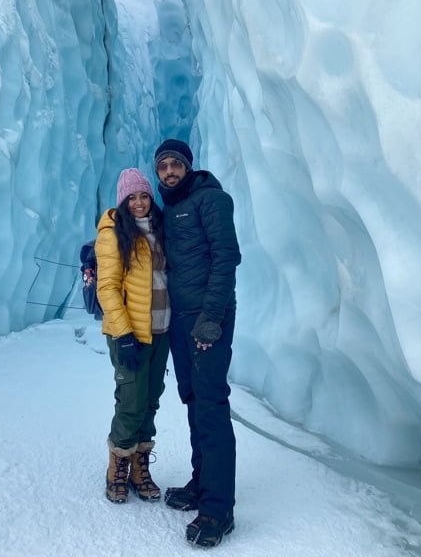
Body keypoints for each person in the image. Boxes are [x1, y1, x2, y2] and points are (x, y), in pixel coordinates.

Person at [154, 139, 241, 548]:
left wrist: (211, 318)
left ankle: (219, 509)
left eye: (175, 165)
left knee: (210, 407)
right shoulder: (172, 207)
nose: (169, 172)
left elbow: (226, 257)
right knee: (193, 400)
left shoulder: (210, 199)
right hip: (181, 322)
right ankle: (201, 483)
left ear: (188, 167)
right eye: (163, 166)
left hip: (207, 320)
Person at [95, 168, 170, 504]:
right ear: (122, 201)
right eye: (132, 198)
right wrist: (124, 334)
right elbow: (108, 287)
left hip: (161, 330)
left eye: (143, 196)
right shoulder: (113, 232)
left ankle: (140, 466)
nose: (139, 203)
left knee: (151, 399)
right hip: (131, 333)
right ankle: (118, 467)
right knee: (131, 401)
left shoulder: (160, 229)